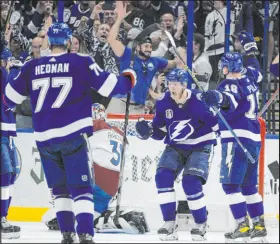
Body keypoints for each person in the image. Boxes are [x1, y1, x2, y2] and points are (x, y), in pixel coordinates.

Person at [4, 22, 136, 243]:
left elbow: (9, 99)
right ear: (68, 42)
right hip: (73, 135)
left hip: (44, 139)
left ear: (48, 42)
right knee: (81, 187)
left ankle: (67, 235)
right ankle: (84, 233)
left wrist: (16, 69)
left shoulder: (31, 66)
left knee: (59, 189)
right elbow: (112, 87)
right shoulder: (80, 61)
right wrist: (129, 76)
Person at [135, 68, 219, 241]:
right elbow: (161, 132)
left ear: (184, 85)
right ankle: (169, 224)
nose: (171, 87)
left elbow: (216, 125)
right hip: (175, 146)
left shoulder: (198, 100)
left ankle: (200, 223)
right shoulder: (164, 102)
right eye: (169, 83)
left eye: (175, 84)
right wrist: (149, 131)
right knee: (162, 177)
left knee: (191, 182)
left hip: (200, 145)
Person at [42, 103, 149, 234]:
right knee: (87, 215)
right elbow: (125, 168)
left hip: (93, 183)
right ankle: (107, 217)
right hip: (111, 189)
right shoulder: (120, 133)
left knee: (60, 216)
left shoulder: (88, 128)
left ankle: (113, 218)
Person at [201, 52, 267, 243]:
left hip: (235, 138)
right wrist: (252, 50)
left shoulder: (228, 83)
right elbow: (257, 70)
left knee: (230, 185)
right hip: (253, 138)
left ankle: (242, 225)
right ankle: (259, 225)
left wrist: (216, 96)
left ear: (227, 68)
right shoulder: (251, 78)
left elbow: (230, 98)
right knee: (249, 187)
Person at [107, 1, 176, 114]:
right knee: (111, 131)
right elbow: (111, 40)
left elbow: (174, 63)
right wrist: (119, 19)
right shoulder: (128, 55)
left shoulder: (155, 61)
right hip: (120, 103)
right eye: (146, 46)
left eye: (150, 47)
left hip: (139, 108)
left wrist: (184, 56)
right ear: (138, 48)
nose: (149, 49)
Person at [0, 49, 21, 239]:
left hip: (9, 132)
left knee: (11, 174)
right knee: (5, 174)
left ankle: (3, 216)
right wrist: (15, 71)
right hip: (1, 132)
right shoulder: (3, 74)